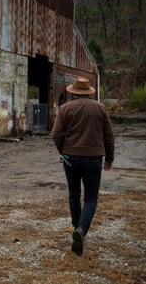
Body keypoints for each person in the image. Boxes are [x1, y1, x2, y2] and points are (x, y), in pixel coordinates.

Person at [51, 76, 115, 256]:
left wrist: (63, 152)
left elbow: (55, 134)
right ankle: (81, 229)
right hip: (94, 157)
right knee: (91, 197)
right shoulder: (100, 108)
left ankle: (76, 227)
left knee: (74, 193)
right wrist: (109, 158)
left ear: (73, 92)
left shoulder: (65, 108)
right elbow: (109, 136)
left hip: (70, 157)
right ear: (89, 92)